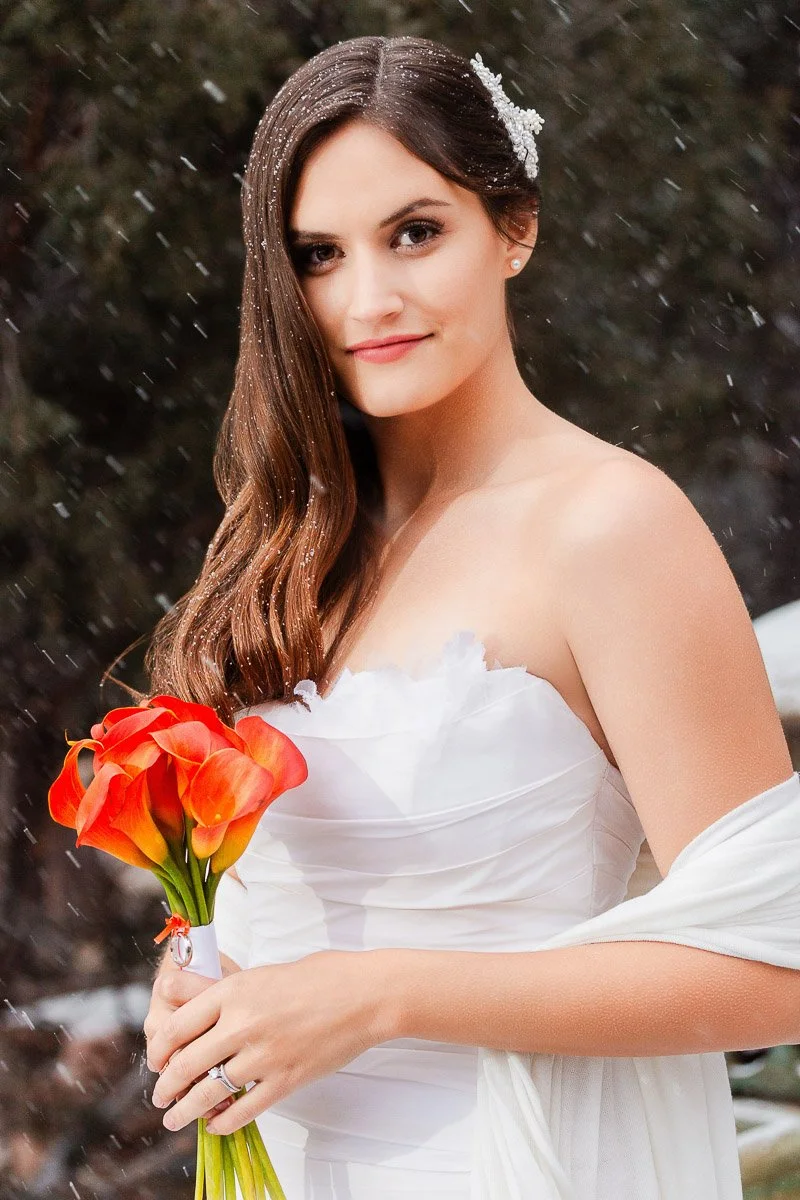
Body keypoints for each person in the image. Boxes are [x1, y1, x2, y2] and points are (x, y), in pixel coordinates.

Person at [140, 34, 800, 1199]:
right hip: (288, 1166)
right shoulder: (280, 542)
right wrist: (204, 982)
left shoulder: (610, 527)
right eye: (317, 254)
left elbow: (771, 961)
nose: (367, 299)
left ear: (514, 227)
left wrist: (380, 995)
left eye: (414, 232)